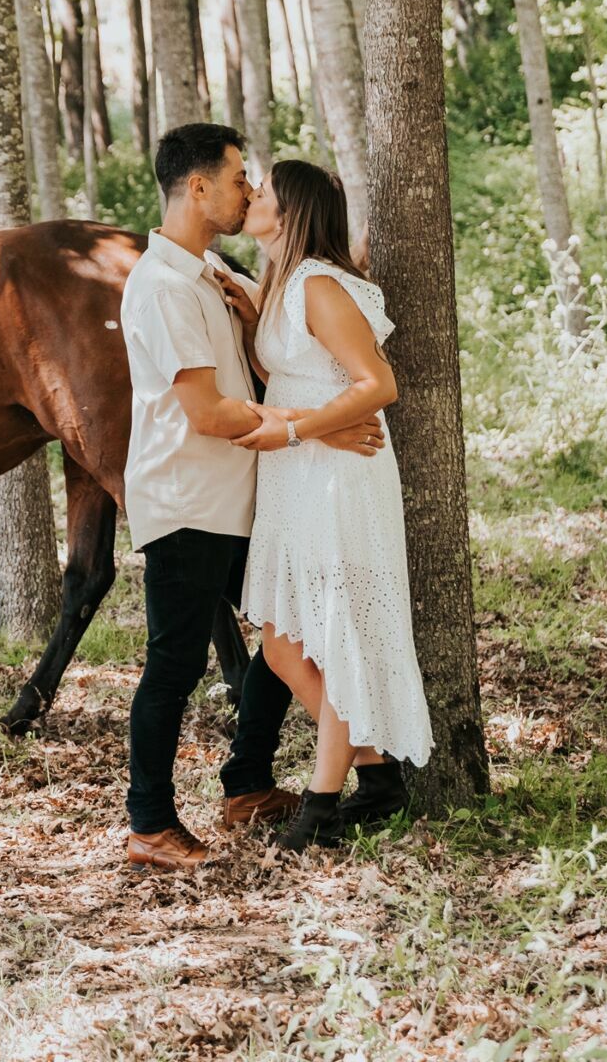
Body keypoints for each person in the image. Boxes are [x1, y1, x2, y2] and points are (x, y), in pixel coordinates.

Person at [117, 125, 387, 871]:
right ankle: (150, 823)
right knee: (174, 663)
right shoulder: (164, 286)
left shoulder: (206, 272)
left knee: (284, 636)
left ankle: (249, 784)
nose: (248, 189)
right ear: (197, 188)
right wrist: (313, 430)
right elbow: (206, 412)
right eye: (240, 177)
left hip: (245, 497)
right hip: (189, 498)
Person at [224, 159, 435, 852]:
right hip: (297, 475)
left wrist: (293, 428)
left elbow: (379, 383)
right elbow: (299, 368)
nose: (249, 196)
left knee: (336, 631)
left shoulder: (317, 282)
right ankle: (376, 775)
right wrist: (247, 305)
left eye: (260, 192)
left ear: (289, 212)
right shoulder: (281, 281)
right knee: (285, 646)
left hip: (339, 472)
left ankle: (320, 805)